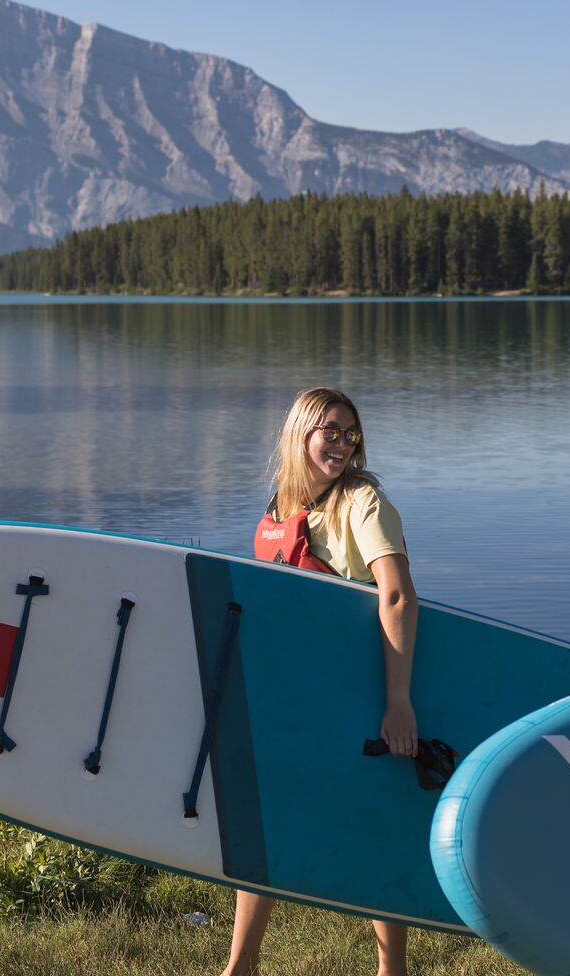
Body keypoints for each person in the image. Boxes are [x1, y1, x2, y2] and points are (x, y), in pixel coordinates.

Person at [225, 386, 419, 976]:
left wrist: (398, 700)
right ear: (300, 432)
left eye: (350, 433)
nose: (341, 443)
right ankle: (242, 966)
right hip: (298, 695)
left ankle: (393, 971)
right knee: (269, 815)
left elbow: (398, 594)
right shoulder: (280, 509)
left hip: (362, 689)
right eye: (329, 431)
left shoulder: (362, 501)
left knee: (374, 821)